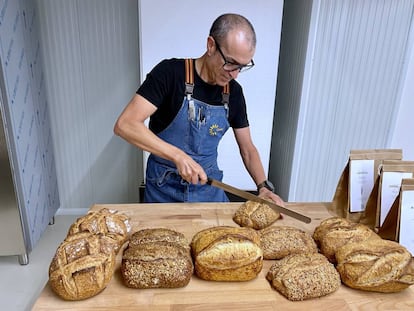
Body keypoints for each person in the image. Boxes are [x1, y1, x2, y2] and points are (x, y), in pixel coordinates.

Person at [114, 13, 284, 206]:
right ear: (211, 45)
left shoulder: (234, 93)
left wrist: (263, 186)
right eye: (230, 63)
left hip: (209, 190)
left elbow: (248, 149)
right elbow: (125, 124)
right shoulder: (170, 74)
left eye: (242, 67)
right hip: (163, 191)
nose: (235, 75)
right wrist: (177, 155)